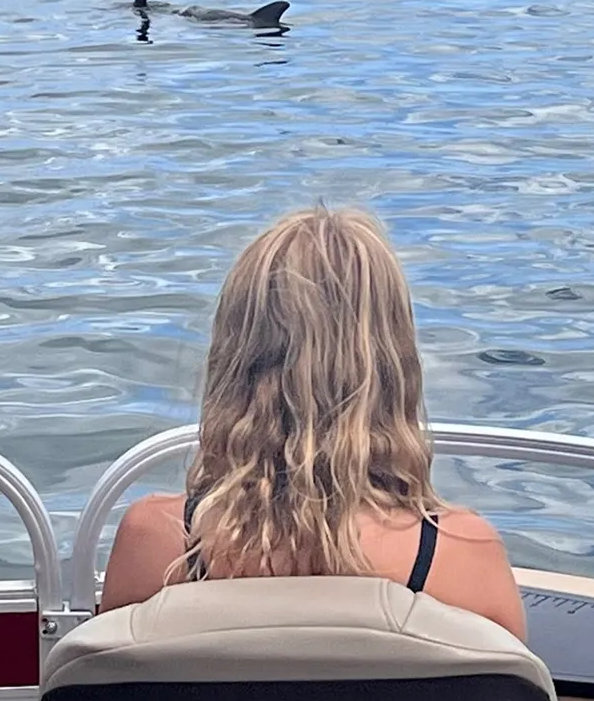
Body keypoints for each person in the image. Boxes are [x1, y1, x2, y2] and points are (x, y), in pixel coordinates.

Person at [101, 205, 527, 640]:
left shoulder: (156, 543)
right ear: (393, 367)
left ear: (234, 361)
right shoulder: (464, 557)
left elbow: (106, 697)